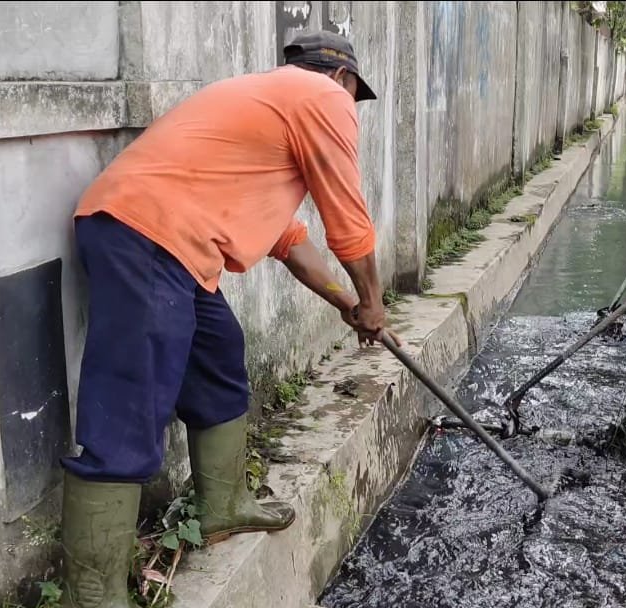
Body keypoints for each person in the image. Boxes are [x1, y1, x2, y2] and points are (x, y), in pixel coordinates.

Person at [57, 30, 400, 607]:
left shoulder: (266, 108)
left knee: (218, 352)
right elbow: (348, 217)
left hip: (166, 240)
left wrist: (344, 302)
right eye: (351, 93)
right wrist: (372, 299)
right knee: (129, 404)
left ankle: (221, 507)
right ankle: (91, 596)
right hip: (146, 234)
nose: (350, 106)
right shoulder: (323, 98)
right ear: (343, 79)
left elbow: (289, 240)